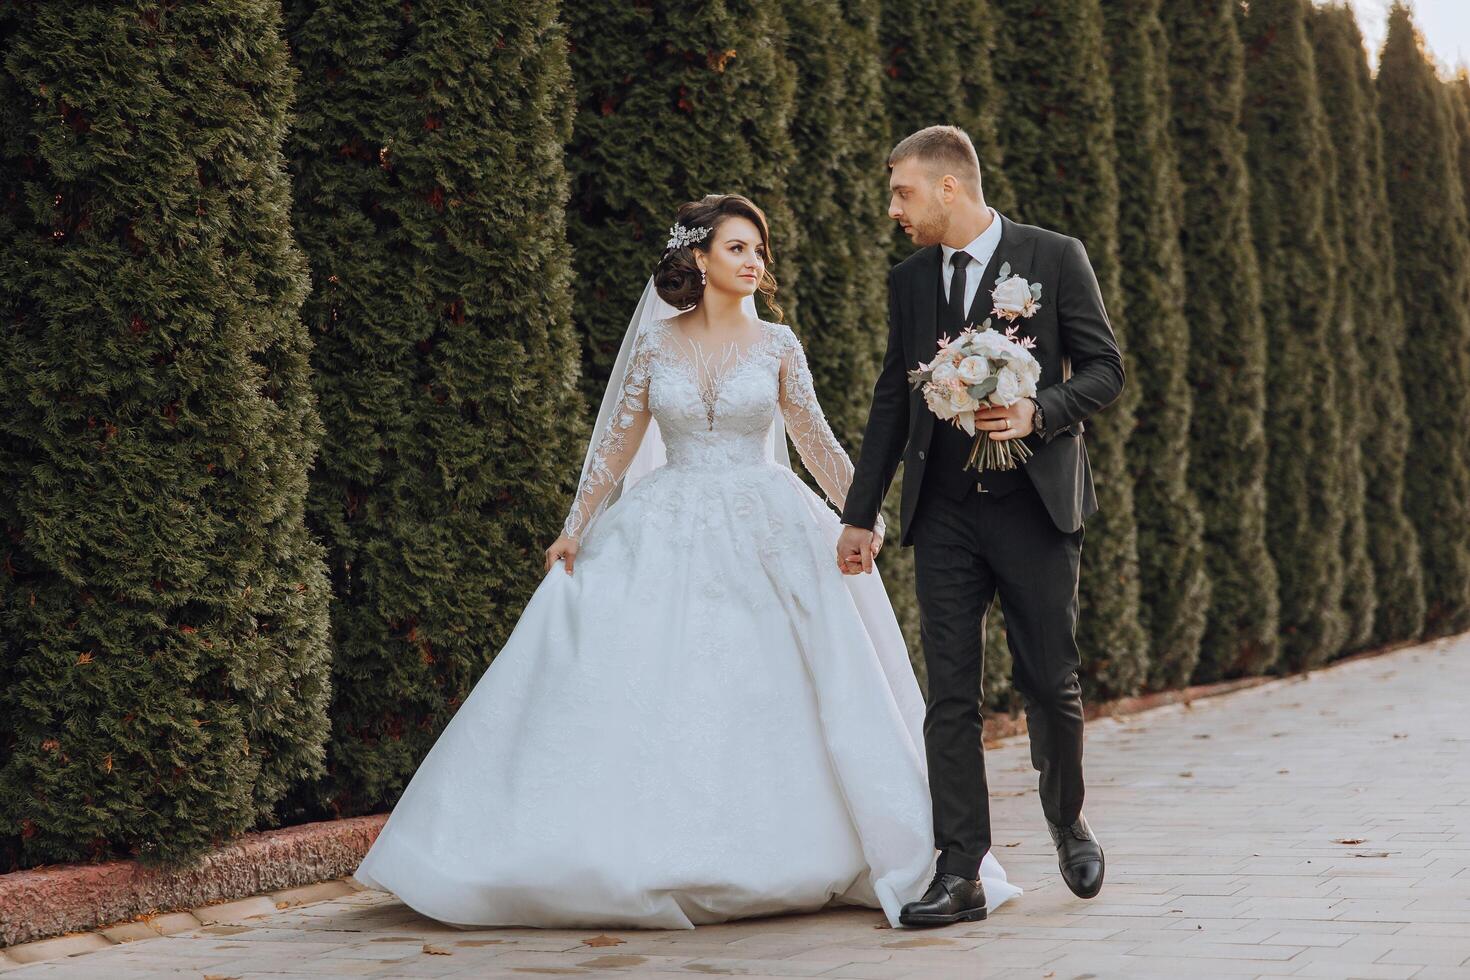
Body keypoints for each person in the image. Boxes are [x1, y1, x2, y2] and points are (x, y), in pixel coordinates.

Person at [352, 193, 1021, 930]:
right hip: (664, 518)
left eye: (758, 251)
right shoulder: (655, 346)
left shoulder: (778, 346)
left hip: (766, 523)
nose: (753, 262)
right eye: (737, 248)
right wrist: (574, 527)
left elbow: (817, 442)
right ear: (698, 258)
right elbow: (615, 444)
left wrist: (863, 515)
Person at [836, 125, 1121, 927]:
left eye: (902, 192)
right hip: (946, 514)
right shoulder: (909, 280)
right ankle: (959, 869)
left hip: (1035, 508)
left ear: (949, 187)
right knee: (949, 697)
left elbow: (1106, 369)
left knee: (1048, 682)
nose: (894, 207)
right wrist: (862, 515)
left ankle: (1066, 818)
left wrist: (1039, 409)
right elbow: (895, 397)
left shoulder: (1054, 256)